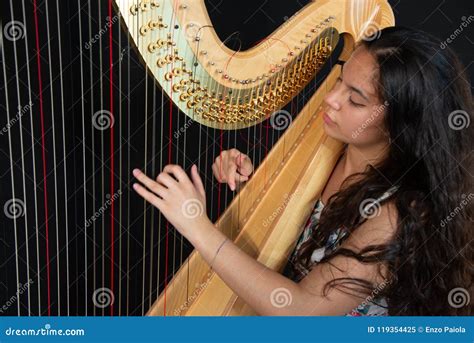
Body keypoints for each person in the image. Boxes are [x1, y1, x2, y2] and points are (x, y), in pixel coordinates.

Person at [132, 27, 473, 315]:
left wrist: (197, 226)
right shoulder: (332, 149)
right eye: (339, 82)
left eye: (355, 100)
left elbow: (300, 311)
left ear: (400, 125)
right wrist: (257, 184)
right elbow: (298, 230)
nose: (331, 99)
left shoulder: (398, 214)